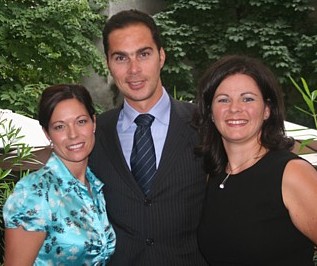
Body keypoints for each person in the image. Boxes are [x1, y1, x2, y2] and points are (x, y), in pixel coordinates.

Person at [89, 9, 208, 266]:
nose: (133, 70)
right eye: (121, 58)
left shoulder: (205, 125)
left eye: (143, 54)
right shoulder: (93, 135)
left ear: (161, 56)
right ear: (108, 64)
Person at [194, 54, 317, 265]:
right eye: (223, 99)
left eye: (248, 98)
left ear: (267, 109)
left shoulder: (291, 173)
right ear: (211, 112)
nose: (235, 108)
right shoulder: (214, 176)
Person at [3, 84, 116, 265]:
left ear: (93, 122)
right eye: (59, 126)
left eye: (81, 122)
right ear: (47, 133)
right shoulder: (34, 193)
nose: (73, 134)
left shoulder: (95, 185)